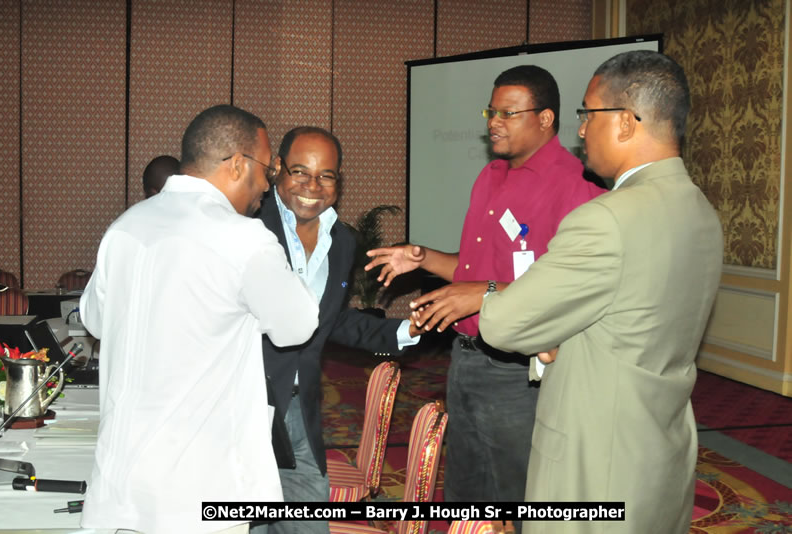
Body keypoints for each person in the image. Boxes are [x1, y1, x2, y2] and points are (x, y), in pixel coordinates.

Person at [479, 51, 723, 533]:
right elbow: (633, 317)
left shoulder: (606, 218)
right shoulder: (700, 211)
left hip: (593, 463)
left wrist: (543, 331)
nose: (582, 130)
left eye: (589, 114)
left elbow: (501, 323)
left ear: (627, 122)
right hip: (661, 449)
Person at [365, 65, 606, 505]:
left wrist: (485, 292)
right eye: (491, 112)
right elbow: (472, 272)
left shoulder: (576, 186)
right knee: (465, 490)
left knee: (521, 495)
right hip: (466, 358)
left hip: (518, 370)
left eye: (508, 113)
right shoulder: (491, 175)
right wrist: (422, 257)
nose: (494, 122)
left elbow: (573, 290)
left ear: (545, 118)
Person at [79, 105, 319, 534]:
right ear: (238, 165)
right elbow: (296, 326)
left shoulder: (125, 228)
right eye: (268, 169)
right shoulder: (244, 239)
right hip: (201, 485)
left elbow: (95, 322)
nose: (269, 185)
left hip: (121, 482)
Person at [255, 126, 420, 534]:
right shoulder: (249, 225)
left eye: (325, 175)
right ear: (277, 168)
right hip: (245, 408)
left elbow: (329, 321)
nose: (312, 186)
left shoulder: (342, 241)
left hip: (300, 410)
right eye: (300, 171)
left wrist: (407, 329)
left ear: (338, 180)